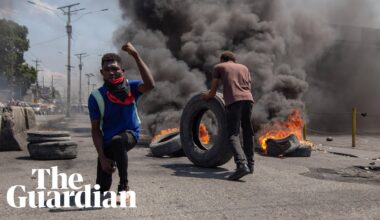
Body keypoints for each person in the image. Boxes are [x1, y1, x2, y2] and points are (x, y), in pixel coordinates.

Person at [88, 42, 154, 200]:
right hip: (108, 142)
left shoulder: (131, 87)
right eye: (107, 69)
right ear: (101, 72)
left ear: (122, 71)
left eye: (115, 69)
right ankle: (108, 170)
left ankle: (123, 184)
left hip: (130, 135)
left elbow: (150, 84)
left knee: (119, 140)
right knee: (102, 188)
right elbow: (96, 130)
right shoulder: (96, 97)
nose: (111, 72)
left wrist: (136, 56)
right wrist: (103, 158)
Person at [202, 51, 254, 181]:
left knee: (233, 134)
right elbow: (248, 87)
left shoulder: (219, 67)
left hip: (234, 101)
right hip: (248, 100)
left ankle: (241, 165)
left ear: (222, 59)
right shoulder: (244, 68)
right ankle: (251, 165)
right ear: (234, 60)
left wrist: (207, 96)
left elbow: (213, 91)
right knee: (248, 132)